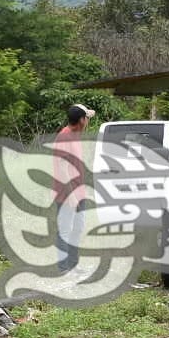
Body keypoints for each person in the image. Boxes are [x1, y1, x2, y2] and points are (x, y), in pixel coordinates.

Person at [53, 103, 96, 270]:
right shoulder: (64, 137)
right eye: (87, 118)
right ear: (81, 119)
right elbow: (63, 169)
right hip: (66, 194)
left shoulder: (75, 135)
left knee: (78, 228)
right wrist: (71, 195)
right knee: (65, 230)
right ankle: (64, 268)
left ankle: (73, 264)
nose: (88, 122)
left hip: (78, 192)